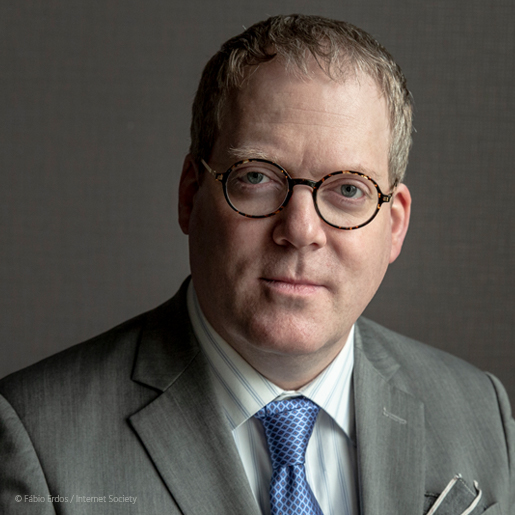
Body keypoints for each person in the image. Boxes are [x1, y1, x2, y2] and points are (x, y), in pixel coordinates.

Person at [0, 14, 513, 515]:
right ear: (189, 195)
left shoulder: (482, 412)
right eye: (256, 177)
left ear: (395, 224)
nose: (301, 231)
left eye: (349, 190)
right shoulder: (37, 440)